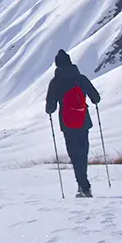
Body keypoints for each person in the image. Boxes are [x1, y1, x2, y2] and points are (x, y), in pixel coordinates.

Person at [45, 49, 101, 198]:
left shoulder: (55, 82)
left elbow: (50, 107)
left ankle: (83, 186)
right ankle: (83, 185)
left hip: (67, 123)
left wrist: (51, 110)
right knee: (83, 153)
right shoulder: (80, 78)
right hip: (83, 121)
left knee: (75, 155)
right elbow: (96, 98)